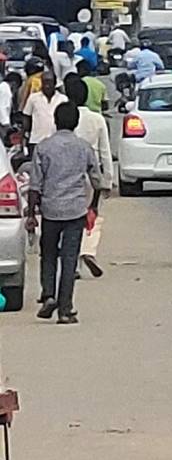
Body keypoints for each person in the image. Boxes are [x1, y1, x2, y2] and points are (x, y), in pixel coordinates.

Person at [28, 102, 104, 323]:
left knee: (48, 254)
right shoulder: (84, 147)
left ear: (55, 120)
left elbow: (35, 185)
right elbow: (97, 181)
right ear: (76, 122)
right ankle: (65, 309)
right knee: (69, 259)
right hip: (75, 210)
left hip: (50, 210)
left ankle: (49, 294)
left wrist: (32, 214)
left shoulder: (43, 147)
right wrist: (94, 206)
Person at [63, 75, 112, 278]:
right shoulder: (97, 119)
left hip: (66, 173)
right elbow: (105, 152)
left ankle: (72, 264)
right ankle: (88, 250)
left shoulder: (63, 116)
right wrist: (107, 180)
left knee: (70, 219)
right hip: (91, 173)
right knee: (92, 216)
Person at [24, 71, 68, 146]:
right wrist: (26, 134)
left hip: (57, 141)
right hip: (36, 140)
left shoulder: (63, 99)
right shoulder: (33, 98)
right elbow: (26, 116)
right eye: (44, 82)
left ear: (55, 83)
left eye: (50, 82)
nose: (47, 86)